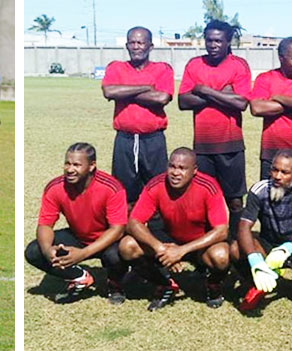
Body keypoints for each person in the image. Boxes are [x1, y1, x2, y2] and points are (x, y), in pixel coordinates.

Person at [120, 147, 229, 310]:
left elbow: (221, 230)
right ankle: (163, 285)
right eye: (172, 166)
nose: (176, 173)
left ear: (194, 171)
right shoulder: (156, 184)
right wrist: (161, 248)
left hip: (200, 244)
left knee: (220, 255)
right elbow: (133, 222)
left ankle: (213, 284)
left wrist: (181, 251)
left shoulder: (208, 186)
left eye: (182, 168)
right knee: (127, 246)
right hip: (169, 240)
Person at [24, 143, 128, 304]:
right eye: (67, 163)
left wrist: (83, 253)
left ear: (92, 166)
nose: (70, 169)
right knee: (33, 251)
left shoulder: (111, 187)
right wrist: (47, 250)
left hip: (108, 239)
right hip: (79, 236)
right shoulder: (55, 187)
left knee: (115, 255)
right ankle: (80, 277)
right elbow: (45, 224)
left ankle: (115, 285)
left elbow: (118, 230)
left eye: (77, 165)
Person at [178, 20, 250, 238]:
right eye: (209, 40)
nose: (213, 45)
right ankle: (206, 247)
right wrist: (223, 94)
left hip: (231, 146)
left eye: (218, 40)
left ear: (228, 41)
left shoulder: (239, 65)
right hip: (202, 148)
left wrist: (203, 91)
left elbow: (241, 103)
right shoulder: (194, 65)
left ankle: (236, 244)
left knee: (235, 200)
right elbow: (183, 102)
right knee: (203, 200)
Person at [231, 151, 292, 311]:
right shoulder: (259, 190)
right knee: (234, 249)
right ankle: (258, 283)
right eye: (275, 170)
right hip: (268, 243)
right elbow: (244, 227)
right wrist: (255, 260)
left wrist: (288, 248)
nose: (277, 176)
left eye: (285, 172)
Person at [102, 26, 173, 206]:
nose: (136, 46)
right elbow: (109, 91)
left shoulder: (162, 69)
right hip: (124, 139)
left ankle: (155, 230)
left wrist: (124, 92)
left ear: (150, 46)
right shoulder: (116, 67)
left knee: (157, 189)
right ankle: (125, 231)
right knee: (123, 191)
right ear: (126, 45)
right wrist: (146, 87)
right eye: (132, 42)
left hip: (153, 139)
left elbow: (161, 98)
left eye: (141, 42)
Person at [248, 37, 292, 191]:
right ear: (281, 58)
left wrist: (277, 98)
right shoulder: (265, 79)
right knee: (270, 203)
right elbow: (256, 108)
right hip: (271, 154)